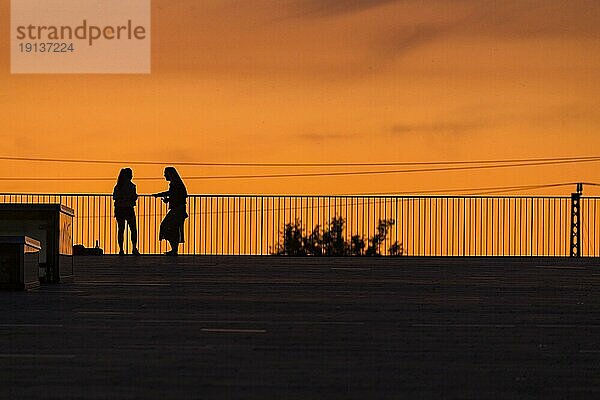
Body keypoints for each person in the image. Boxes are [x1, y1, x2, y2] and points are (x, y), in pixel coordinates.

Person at [153, 166, 188, 255]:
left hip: (177, 210)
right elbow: (176, 195)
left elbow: (176, 195)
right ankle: (174, 250)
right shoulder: (177, 184)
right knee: (173, 229)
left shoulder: (175, 184)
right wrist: (168, 199)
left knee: (167, 226)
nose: (164, 175)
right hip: (178, 209)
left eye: (165, 173)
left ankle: (174, 250)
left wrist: (161, 195)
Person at [113, 168, 140, 256]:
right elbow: (133, 197)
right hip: (128, 209)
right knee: (133, 229)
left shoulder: (118, 186)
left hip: (119, 209)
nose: (132, 176)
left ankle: (121, 249)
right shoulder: (132, 186)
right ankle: (134, 248)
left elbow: (115, 198)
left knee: (121, 229)